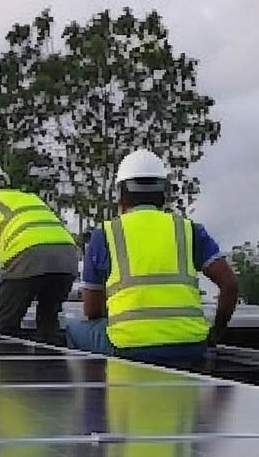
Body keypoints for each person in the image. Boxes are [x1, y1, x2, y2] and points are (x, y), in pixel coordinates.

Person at [63, 149, 239, 365]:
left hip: (130, 348)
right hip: (191, 346)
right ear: (163, 192)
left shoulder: (106, 234)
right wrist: (215, 334)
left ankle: (98, 396)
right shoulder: (189, 230)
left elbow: (91, 311)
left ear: (121, 193)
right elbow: (229, 284)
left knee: (72, 328)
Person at [0, 161, 80, 342]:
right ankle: (53, 366)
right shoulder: (29, 198)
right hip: (67, 260)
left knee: (3, 328)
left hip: (27, 259)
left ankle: (15, 370)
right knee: (48, 326)